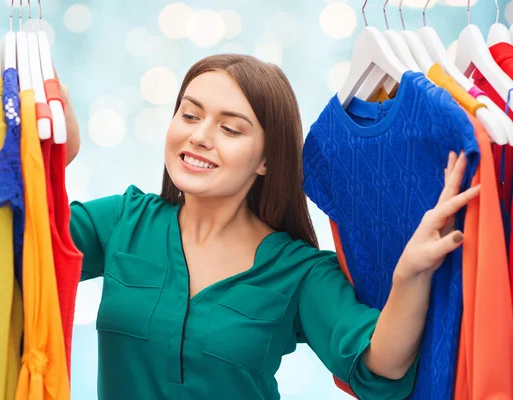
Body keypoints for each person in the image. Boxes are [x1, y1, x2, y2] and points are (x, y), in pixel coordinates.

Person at [60, 54, 479, 400]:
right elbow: (23, 248)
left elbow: (381, 365)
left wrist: (410, 274)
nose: (200, 136)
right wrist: (58, 154)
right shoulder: (122, 221)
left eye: (230, 128)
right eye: (189, 115)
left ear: (266, 160)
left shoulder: (299, 270)